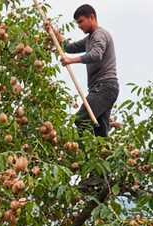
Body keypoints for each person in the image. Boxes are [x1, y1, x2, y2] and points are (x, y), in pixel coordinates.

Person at [49, 4, 119, 137]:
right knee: (100, 135)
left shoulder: (100, 35)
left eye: (81, 21)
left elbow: (96, 54)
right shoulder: (89, 39)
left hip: (104, 87)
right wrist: (54, 33)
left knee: (81, 120)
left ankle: (82, 148)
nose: (79, 26)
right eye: (77, 23)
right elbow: (69, 47)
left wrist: (70, 60)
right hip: (104, 89)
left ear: (91, 17)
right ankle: (107, 131)